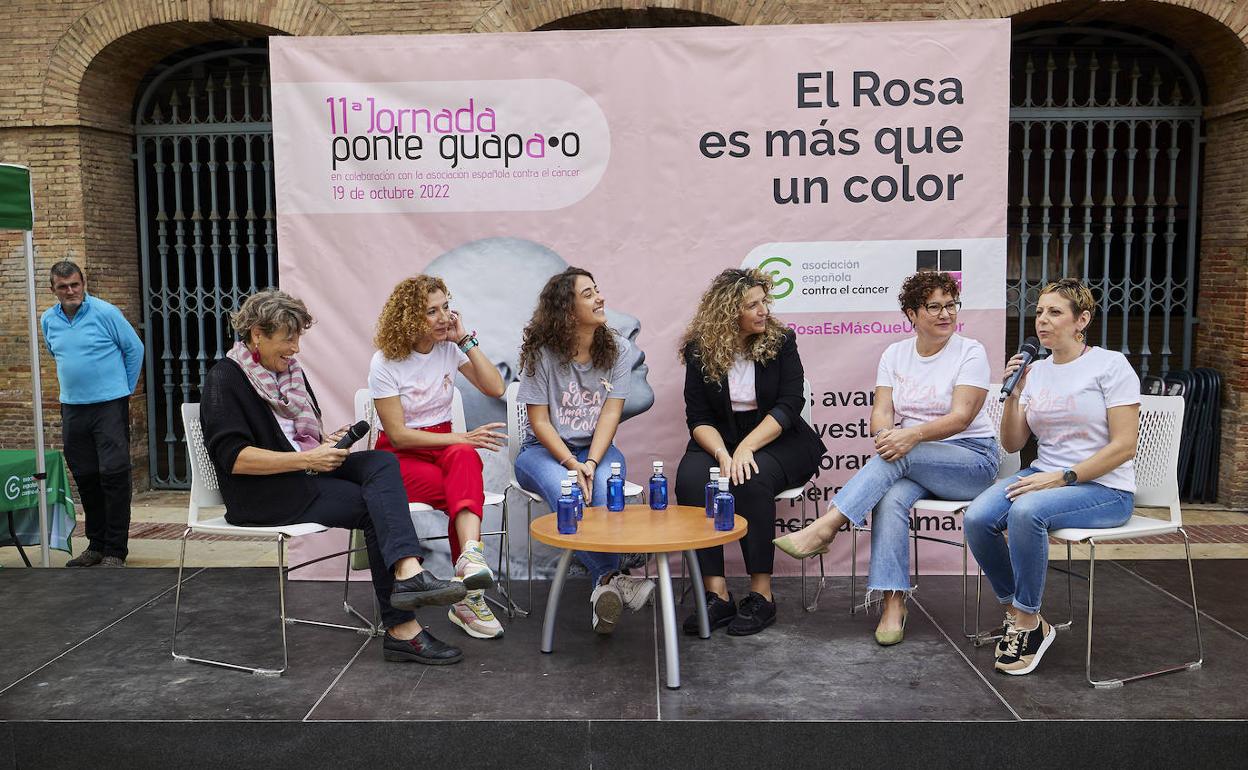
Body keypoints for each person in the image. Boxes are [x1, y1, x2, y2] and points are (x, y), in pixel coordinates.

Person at [200, 289, 468, 665]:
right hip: (264, 495)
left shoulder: (289, 374)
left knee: (380, 462)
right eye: (287, 338)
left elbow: (295, 438)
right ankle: (402, 628)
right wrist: (309, 456)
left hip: (303, 472)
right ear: (257, 334)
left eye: (298, 339)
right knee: (377, 508)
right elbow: (235, 460)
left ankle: (408, 570)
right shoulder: (225, 378)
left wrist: (324, 444)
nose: (295, 349)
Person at [774, 270, 999, 645]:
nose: (946, 314)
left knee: (901, 459)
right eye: (934, 307)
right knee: (890, 496)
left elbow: (961, 417)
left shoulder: (970, 351)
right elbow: (880, 414)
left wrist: (909, 437)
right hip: (912, 457)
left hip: (972, 461)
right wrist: (887, 437)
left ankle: (827, 525)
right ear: (911, 313)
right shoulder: (895, 354)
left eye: (951, 305)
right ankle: (893, 603)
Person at [963, 278, 1139, 676]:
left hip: (1105, 488)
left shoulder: (1111, 366)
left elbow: (1125, 446)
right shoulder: (1037, 371)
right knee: (977, 517)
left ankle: (1027, 624)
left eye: (1055, 312)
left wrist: (1062, 477)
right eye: (1040, 311)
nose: (1042, 320)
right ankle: (1022, 613)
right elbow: (1012, 443)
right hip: (1044, 476)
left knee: (1027, 513)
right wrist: (1014, 393)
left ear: (1083, 320)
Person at [674, 268, 824, 636]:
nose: (763, 311)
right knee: (693, 483)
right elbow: (698, 416)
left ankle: (762, 595)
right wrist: (724, 455)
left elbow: (790, 404)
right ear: (728, 312)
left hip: (779, 435)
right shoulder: (701, 350)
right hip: (718, 437)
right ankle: (717, 594)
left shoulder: (781, 340)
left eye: (763, 302)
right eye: (752, 305)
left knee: (751, 480)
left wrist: (744, 449)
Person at [512, 267, 655, 634]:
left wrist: (591, 460)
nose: (600, 298)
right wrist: (572, 463)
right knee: (570, 491)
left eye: (597, 290)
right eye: (588, 294)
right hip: (542, 450)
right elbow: (540, 423)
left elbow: (611, 411)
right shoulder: (541, 354)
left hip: (596, 448)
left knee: (606, 487)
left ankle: (602, 588)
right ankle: (614, 576)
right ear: (567, 309)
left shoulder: (618, 348)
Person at [369, 275, 507, 640]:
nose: (444, 316)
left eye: (446, 306)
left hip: (444, 447)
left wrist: (466, 340)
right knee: (464, 482)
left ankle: (470, 562)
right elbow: (397, 434)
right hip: (400, 455)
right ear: (409, 318)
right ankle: (469, 598)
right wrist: (460, 437)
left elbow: (496, 387)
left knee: (463, 458)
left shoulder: (449, 348)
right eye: (432, 311)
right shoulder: (385, 362)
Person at [40, 261, 143, 568]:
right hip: (72, 407)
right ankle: (95, 545)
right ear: (53, 289)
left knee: (113, 476)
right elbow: (54, 350)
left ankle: (115, 550)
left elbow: (134, 349)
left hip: (109, 406)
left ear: (83, 283)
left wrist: (122, 389)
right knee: (85, 476)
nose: (70, 291)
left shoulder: (106, 313)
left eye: (75, 284)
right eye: (63, 286)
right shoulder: (48, 319)